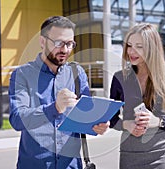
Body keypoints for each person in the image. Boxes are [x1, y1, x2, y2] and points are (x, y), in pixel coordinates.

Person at [9, 16, 109, 169]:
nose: (65, 50)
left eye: (69, 44)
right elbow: (17, 119)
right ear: (42, 42)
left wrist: (97, 123)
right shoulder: (22, 75)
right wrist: (54, 108)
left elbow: (86, 115)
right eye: (58, 43)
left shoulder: (77, 73)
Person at [109, 23, 165, 169]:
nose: (131, 51)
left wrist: (159, 122)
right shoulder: (119, 78)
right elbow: (111, 118)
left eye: (139, 46)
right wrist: (127, 125)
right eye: (129, 45)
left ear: (152, 48)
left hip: (163, 153)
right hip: (130, 154)